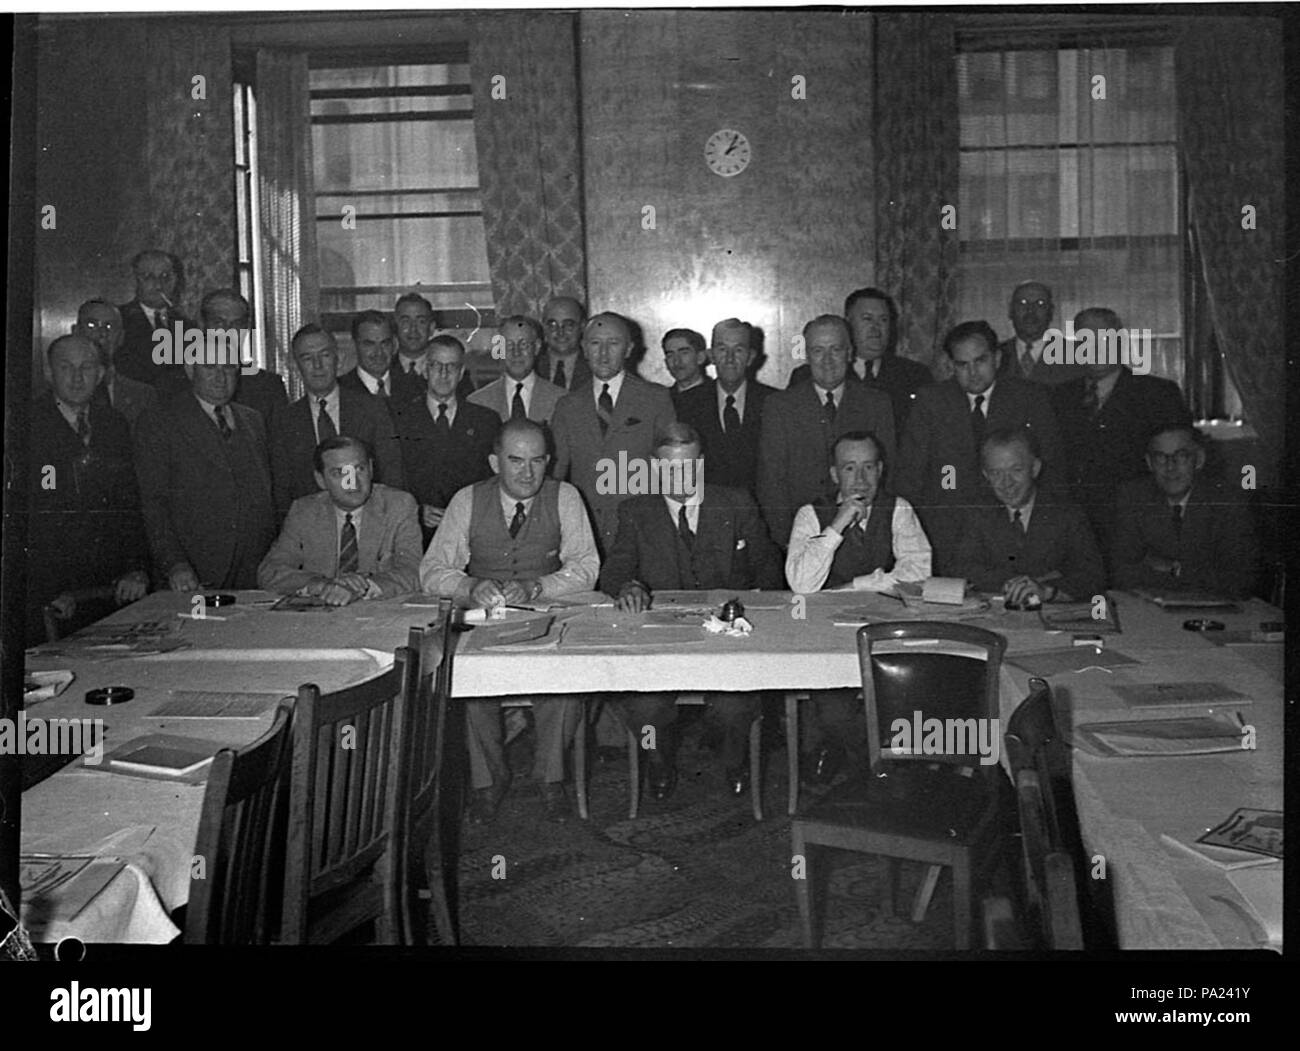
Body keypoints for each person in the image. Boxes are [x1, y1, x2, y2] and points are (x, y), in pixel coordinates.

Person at [420, 419, 600, 823]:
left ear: (548, 461)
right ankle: (488, 781)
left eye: (537, 461)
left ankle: (550, 777)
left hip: (547, 615)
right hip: (484, 619)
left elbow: (587, 567)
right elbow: (431, 571)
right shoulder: (467, 499)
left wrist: (539, 586)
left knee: (567, 679)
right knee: (465, 680)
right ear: (494, 461)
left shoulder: (566, 495)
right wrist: (469, 585)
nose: (527, 472)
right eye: (515, 460)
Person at [599, 423, 782, 799]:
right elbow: (614, 571)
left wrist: (750, 600)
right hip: (663, 641)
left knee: (735, 706)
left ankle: (733, 760)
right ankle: (659, 760)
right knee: (645, 705)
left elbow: (769, 568)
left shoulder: (736, 502)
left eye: (688, 466)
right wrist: (628, 586)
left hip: (727, 636)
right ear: (653, 467)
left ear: (702, 464)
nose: (679, 477)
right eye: (668, 467)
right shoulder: (635, 511)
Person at [784, 430, 932, 783]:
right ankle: (875, 766)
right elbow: (802, 584)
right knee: (835, 711)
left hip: (886, 633)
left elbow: (918, 573)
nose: (861, 479)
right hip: (827, 636)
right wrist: (838, 524)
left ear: (881, 470)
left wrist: (852, 586)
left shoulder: (898, 509)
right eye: (850, 469)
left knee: (908, 695)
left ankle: (871, 764)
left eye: (869, 467)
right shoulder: (811, 514)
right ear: (835, 474)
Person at [895, 320, 1062, 573]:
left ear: (997, 358)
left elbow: (1051, 469)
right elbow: (912, 476)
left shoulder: (1029, 398)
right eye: (962, 364)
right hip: (947, 532)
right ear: (951, 365)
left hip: (1013, 531)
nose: (973, 372)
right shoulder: (931, 402)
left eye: (980, 361)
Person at [27, 335, 149, 643]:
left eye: (87, 367)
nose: (77, 377)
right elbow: (29, 521)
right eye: (66, 367)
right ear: (48, 372)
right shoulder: (26, 426)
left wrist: (136, 569)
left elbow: (129, 505)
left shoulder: (114, 425)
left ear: (101, 374)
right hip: (52, 596)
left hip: (112, 591)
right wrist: (48, 591)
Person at [1050, 307, 1192, 560]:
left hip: (1134, 530)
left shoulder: (1158, 393)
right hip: (1073, 531)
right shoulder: (1059, 397)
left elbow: (1177, 467)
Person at [133, 358, 277, 591]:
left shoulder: (253, 419)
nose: (221, 377)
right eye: (210, 367)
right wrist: (175, 564)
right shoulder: (160, 420)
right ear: (190, 371)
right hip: (194, 573)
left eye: (229, 367)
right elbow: (153, 503)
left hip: (253, 571)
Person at [757, 315, 895, 548]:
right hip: (799, 539)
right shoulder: (779, 406)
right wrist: (790, 543)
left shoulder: (876, 403)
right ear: (806, 355)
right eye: (818, 350)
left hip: (862, 541)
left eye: (836, 349)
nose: (827, 360)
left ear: (850, 353)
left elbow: (887, 477)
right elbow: (771, 484)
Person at [551, 312, 677, 555]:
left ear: (629, 349)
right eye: (595, 344)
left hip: (641, 530)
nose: (603, 353)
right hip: (584, 531)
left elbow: (672, 471)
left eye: (614, 343)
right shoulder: (567, 405)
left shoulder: (655, 399)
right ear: (584, 349)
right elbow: (556, 475)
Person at [951, 427, 1105, 606]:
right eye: (996, 473)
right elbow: (960, 568)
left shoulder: (1066, 513)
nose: (1006, 483)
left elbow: (1093, 577)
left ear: (1035, 468)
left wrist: (1045, 590)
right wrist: (1015, 584)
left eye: (1016, 470)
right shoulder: (977, 512)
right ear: (985, 475)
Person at [258, 435, 421, 603]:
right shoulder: (304, 511)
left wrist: (362, 587)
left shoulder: (399, 505)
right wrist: (321, 585)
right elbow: (270, 571)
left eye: (359, 469)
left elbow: (413, 570)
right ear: (321, 480)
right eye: (339, 473)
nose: (352, 482)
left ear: (371, 469)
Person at [268, 323, 405, 520]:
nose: (317, 365)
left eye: (324, 355)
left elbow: (392, 476)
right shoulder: (284, 421)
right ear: (293, 366)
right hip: (310, 531)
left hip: (370, 523)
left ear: (338, 359)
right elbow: (282, 493)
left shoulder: (372, 409)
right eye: (307, 358)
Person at [1111, 424, 1258, 599]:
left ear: (1199, 459)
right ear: (1149, 463)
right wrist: (1197, 574)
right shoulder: (1133, 497)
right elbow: (1121, 574)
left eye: (1181, 456)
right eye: (1160, 457)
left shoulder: (1227, 502)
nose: (1170, 467)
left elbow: (1240, 580)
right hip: (1151, 611)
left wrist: (1175, 569)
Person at [392, 333, 501, 545]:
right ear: (425, 369)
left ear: (461, 373)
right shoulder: (399, 419)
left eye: (451, 367)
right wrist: (416, 511)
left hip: (470, 536)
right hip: (415, 536)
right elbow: (391, 477)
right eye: (436, 366)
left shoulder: (485, 420)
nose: (443, 374)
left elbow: (493, 482)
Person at [789, 288, 932, 437]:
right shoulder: (809, 375)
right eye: (867, 319)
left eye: (883, 320)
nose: (876, 329)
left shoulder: (915, 375)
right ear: (848, 323)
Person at [676, 318, 774, 496]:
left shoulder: (774, 403)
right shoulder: (685, 404)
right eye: (722, 349)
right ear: (711, 355)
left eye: (738, 350)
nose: (730, 359)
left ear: (751, 357)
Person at [199, 289, 289, 424]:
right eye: (219, 323)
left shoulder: (268, 388)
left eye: (236, 324)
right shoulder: (176, 383)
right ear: (202, 325)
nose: (227, 331)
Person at [75, 298, 157, 430]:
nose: (101, 334)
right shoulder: (60, 392)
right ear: (76, 331)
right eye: (92, 325)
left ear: (121, 337)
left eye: (109, 326)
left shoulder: (143, 396)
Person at [468, 315, 566, 424]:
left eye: (523, 345)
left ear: (537, 347)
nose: (516, 352)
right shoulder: (478, 402)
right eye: (509, 345)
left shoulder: (561, 400)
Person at [115, 249, 190, 390]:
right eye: (148, 276)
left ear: (176, 280)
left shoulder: (188, 327)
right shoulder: (119, 320)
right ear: (135, 280)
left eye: (166, 276)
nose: (158, 284)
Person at [389, 293, 476, 405]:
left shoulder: (455, 374)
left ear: (431, 328)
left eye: (421, 322)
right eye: (406, 321)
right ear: (395, 326)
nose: (413, 329)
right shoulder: (385, 371)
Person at [996, 281, 1086, 385]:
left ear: (1051, 312)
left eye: (1040, 304)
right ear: (1011, 310)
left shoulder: (1075, 355)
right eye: (1023, 303)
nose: (1030, 310)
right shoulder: (993, 355)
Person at [338, 309, 398, 401]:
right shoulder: (338, 392)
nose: (379, 353)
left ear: (394, 344)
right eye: (369, 344)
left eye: (385, 343)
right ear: (354, 345)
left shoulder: (412, 388)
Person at [536, 295, 592, 392]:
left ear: (582, 326)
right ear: (544, 327)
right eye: (553, 325)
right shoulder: (531, 367)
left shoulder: (595, 367)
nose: (560, 332)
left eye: (568, 325)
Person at [661, 327, 710, 411]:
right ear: (666, 363)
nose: (676, 361)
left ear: (700, 357)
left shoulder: (719, 396)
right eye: (670, 355)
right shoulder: (660, 400)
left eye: (684, 353)